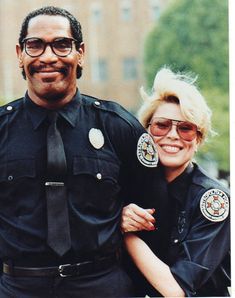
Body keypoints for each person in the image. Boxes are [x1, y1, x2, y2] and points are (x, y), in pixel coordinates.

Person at [0, 6, 164, 297]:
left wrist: (127, 217)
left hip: (103, 285)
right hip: (17, 288)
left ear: (81, 53)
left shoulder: (118, 127)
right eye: (35, 45)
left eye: (62, 45)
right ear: (20, 54)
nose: (48, 57)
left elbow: (157, 211)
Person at [122, 67, 230, 297]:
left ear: (198, 139)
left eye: (185, 128)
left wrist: (123, 232)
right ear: (146, 132)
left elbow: (177, 289)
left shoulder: (212, 199)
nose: (172, 135)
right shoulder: (126, 187)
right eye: (162, 125)